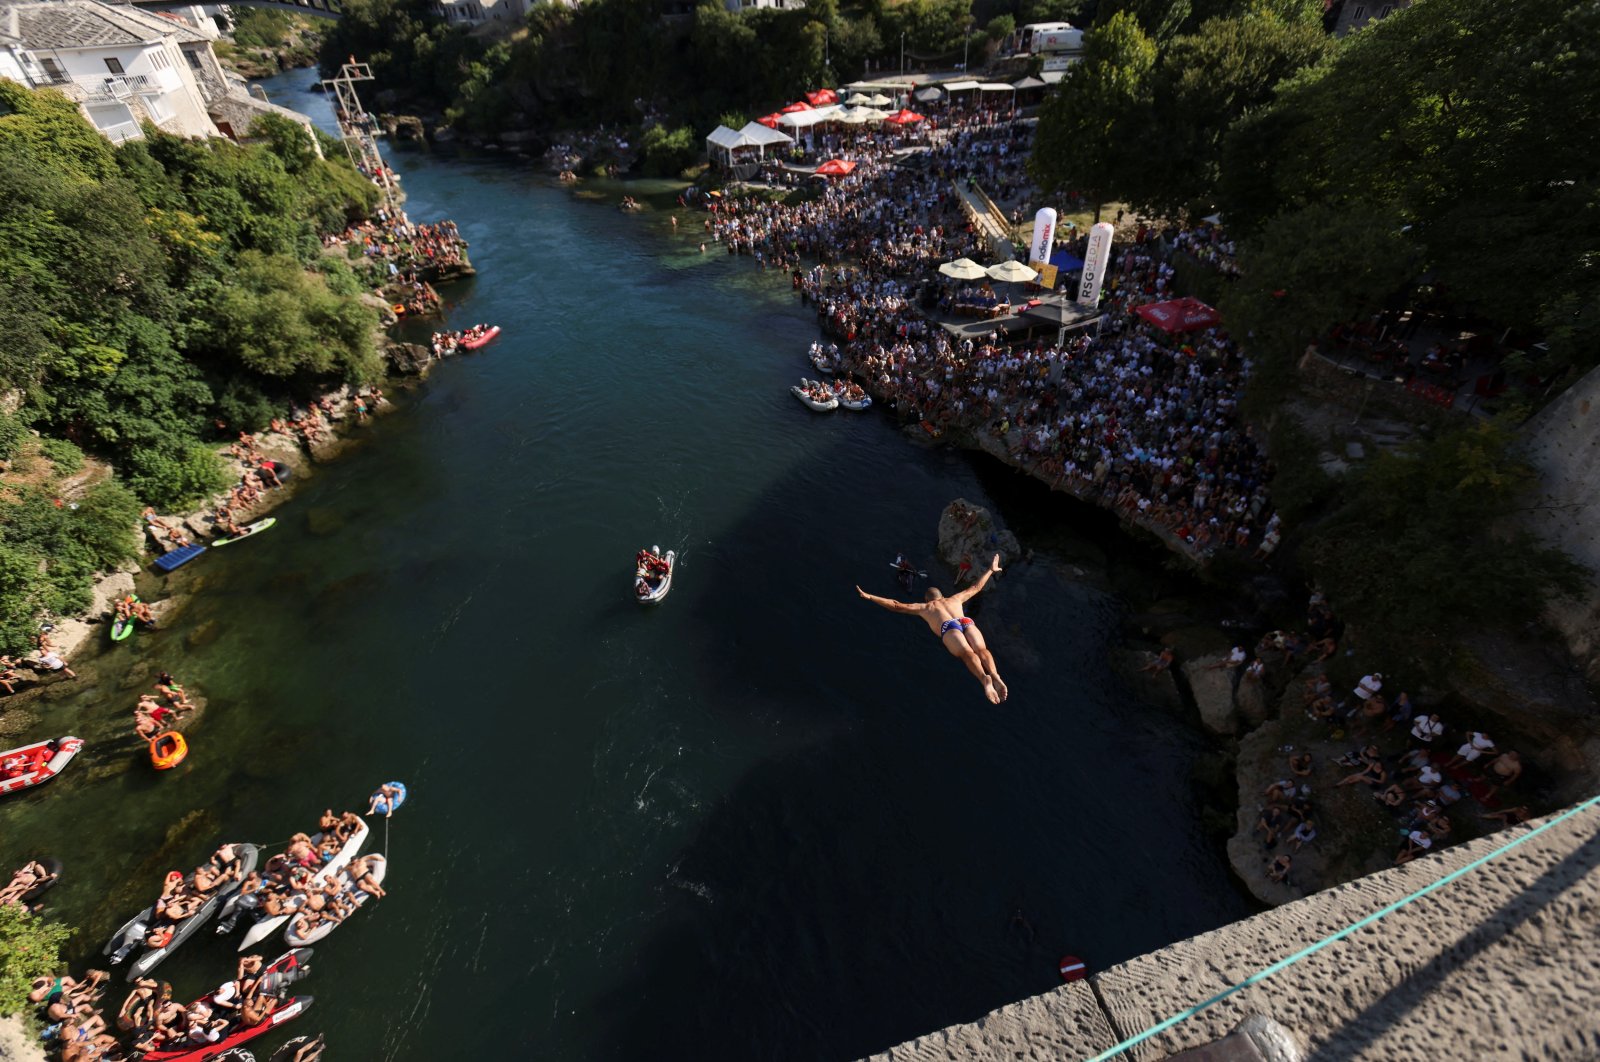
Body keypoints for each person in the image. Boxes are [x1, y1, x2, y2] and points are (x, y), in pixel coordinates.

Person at [857, 553, 1008, 704]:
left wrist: (871, 597)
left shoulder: (925, 607)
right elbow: (976, 587)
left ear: (927, 599)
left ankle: (984, 679)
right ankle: (995, 675)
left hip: (949, 628)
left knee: (967, 654)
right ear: (942, 596)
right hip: (965, 621)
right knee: (982, 649)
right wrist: (990, 570)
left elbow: (896, 605)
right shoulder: (955, 599)